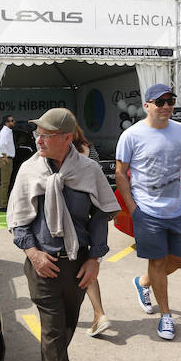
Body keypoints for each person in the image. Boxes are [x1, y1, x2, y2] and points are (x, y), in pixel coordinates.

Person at [7, 108, 120, 361]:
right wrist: (34, 254)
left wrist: (95, 258)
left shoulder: (89, 170)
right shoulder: (29, 171)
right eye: (37, 134)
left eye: (45, 134)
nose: (38, 139)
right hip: (42, 263)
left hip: (77, 264)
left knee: (66, 327)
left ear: (66, 138)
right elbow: (18, 222)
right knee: (54, 331)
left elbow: (99, 216)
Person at [114, 84, 181, 341]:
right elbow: (121, 173)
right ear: (147, 105)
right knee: (158, 262)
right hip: (148, 210)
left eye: (170, 101)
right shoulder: (131, 135)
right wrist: (133, 209)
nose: (166, 106)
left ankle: (143, 283)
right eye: (160, 102)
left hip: (179, 208)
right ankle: (166, 315)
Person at [70, 119, 109, 337]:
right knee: (89, 270)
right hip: (93, 219)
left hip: (75, 223)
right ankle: (99, 314)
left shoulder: (65, 155)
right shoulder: (90, 150)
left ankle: (98, 314)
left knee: (80, 272)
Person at [0, 115, 16, 212]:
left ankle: (3, 203)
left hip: (5, 158)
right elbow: (1, 145)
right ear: (6, 122)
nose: (14, 122)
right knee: (5, 183)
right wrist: (5, 157)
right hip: (5, 158)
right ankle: (3, 205)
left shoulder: (7, 131)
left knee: (5, 183)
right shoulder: (6, 132)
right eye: (12, 121)